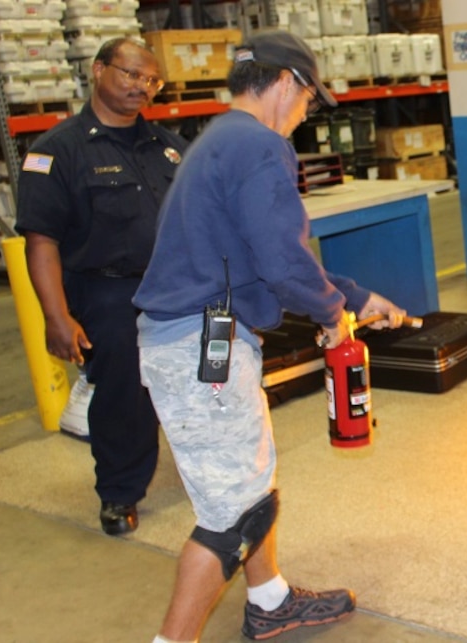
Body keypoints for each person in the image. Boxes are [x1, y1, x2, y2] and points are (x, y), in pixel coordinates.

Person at [132, 30, 407, 642]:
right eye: (310, 99)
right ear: (287, 83)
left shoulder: (221, 140)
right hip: (202, 349)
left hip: (191, 339)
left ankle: (270, 599)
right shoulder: (259, 147)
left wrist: (356, 297)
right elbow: (283, 263)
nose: (308, 114)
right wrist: (333, 314)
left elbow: (264, 256)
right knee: (234, 515)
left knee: (249, 483)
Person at [14, 38, 188, 536]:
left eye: (151, 80)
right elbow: (41, 242)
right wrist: (56, 317)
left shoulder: (169, 146)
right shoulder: (57, 152)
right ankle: (119, 491)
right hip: (107, 292)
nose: (141, 87)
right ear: (97, 70)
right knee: (124, 391)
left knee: (208, 375)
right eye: (130, 74)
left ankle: (209, 475)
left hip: (172, 285)